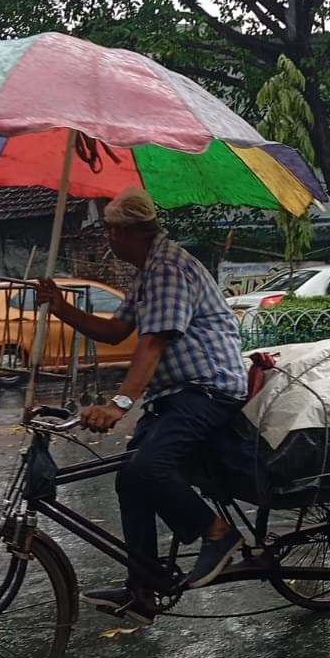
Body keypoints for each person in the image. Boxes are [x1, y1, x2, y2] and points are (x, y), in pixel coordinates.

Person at [30, 187, 249, 625]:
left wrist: (119, 404)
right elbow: (116, 332)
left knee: (149, 468)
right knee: (130, 479)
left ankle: (219, 533)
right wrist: (61, 308)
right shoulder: (147, 272)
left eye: (111, 232)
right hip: (175, 394)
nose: (108, 241)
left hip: (208, 388)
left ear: (131, 232)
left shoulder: (168, 267)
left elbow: (153, 342)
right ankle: (143, 587)